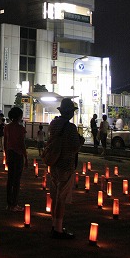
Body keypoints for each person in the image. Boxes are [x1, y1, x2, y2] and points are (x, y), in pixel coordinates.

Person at [47, 98, 83, 239]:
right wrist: (80, 141)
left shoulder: (53, 124)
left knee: (55, 196)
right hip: (66, 164)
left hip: (54, 163)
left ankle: (54, 225)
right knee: (61, 198)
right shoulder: (70, 128)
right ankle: (58, 229)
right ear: (70, 113)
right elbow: (75, 147)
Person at [4, 106, 28, 211]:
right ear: (19, 116)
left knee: (10, 179)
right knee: (17, 180)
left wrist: (6, 155)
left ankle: (9, 204)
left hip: (10, 153)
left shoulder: (7, 127)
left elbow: (5, 142)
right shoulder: (21, 129)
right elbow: (22, 144)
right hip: (18, 155)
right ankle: (14, 204)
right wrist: (26, 157)